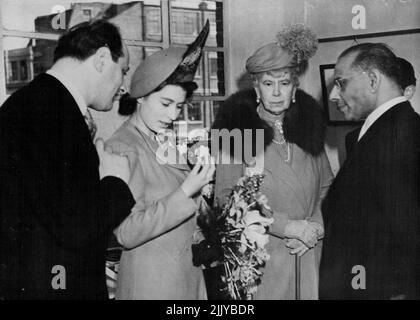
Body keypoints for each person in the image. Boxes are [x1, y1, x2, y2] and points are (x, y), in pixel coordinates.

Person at [0, 19, 135, 300]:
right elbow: (74, 227)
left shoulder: (39, 103)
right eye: (123, 71)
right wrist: (114, 181)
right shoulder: (51, 113)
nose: (123, 86)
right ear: (101, 59)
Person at [212, 24, 333, 300]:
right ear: (256, 88)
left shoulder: (308, 127)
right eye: (268, 84)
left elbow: (328, 186)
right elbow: (227, 199)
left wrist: (315, 226)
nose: (276, 92)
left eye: (284, 83)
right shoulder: (238, 131)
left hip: (309, 250)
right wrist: (288, 227)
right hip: (264, 257)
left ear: (294, 87)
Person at [105, 22, 215, 300]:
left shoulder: (160, 139)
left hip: (183, 277)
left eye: (178, 106)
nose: (173, 115)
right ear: (141, 98)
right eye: (165, 104)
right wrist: (186, 190)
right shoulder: (121, 147)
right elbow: (126, 233)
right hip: (151, 285)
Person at [320, 43, 420, 299]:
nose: (333, 94)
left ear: (373, 80)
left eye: (341, 83)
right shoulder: (383, 132)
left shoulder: (396, 138)